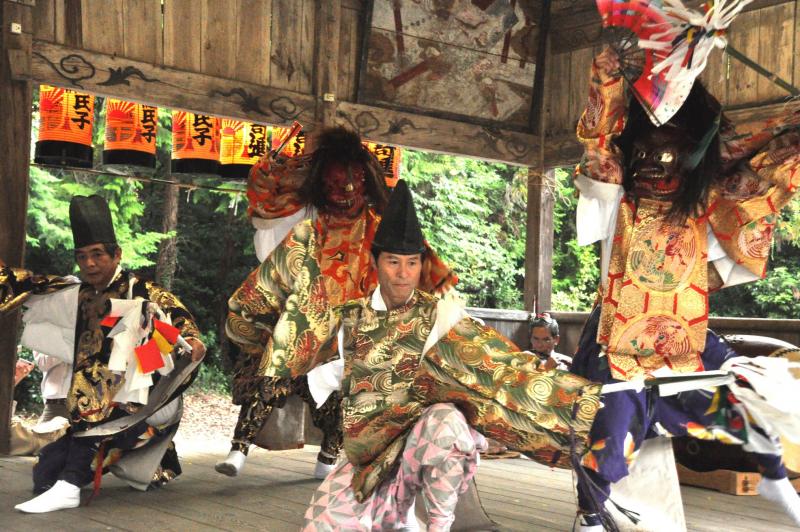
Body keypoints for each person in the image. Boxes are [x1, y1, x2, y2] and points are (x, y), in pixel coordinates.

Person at [246, 180, 603, 531]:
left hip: (427, 445)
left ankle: (438, 526)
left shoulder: (443, 315)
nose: (403, 275)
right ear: (375, 263)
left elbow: (501, 367)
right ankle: (399, 518)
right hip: (369, 456)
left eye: (412, 264)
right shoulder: (349, 318)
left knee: (447, 424)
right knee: (321, 525)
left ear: (421, 266)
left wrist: (579, 400)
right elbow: (313, 371)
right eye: (393, 262)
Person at [570, 47, 800, 530]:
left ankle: (776, 478)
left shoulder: (704, 202)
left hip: (685, 342)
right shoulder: (620, 200)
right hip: (620, 342)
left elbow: (759, 176)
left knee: (749, 396)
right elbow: (598, 145)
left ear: (692, 159)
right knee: (610, 432)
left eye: (667, 155)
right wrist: (606, 76)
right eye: (644, 154)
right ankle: (592, 518)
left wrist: (793, 142)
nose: (652, 164)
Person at [217, 128, 458, 479]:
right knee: (274, 369)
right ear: (319, 186)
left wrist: (438, 288)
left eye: (354, 184)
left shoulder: (378, 228)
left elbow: (414, 259)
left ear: (365, 183)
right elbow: (272, 234)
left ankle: (328, 455)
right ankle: (239, 447)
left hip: (358, 328)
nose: (346, 194)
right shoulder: (309, 230)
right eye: (334, 186)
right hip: (308, 320)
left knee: (337, 397)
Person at [1, 194, 206, 513]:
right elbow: (29, 285)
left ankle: (71, 484)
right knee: (45, 474)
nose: (90, 264)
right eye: (82, 257)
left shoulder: (144, 292)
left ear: (116, 254)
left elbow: (180, 319)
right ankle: (70, 477)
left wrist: (191, 339)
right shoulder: (77, 294)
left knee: (82, 455)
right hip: (91, 412)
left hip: (147, 404)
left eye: (97, 255)